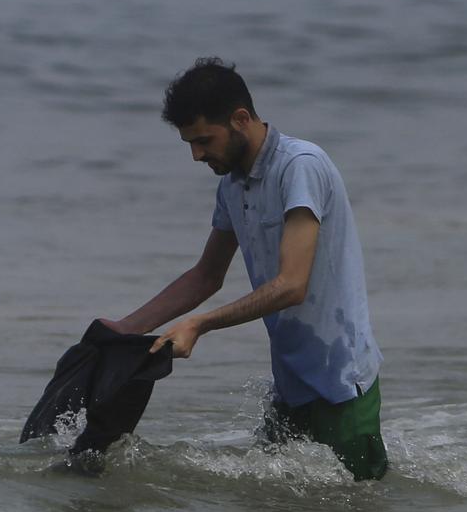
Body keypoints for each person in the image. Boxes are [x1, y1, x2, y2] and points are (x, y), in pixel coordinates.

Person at [100, 57, 387, 481]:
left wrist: (200, 325)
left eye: (204, 140)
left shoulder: (300, 166)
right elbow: (206, 276)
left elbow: (292, 285)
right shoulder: (232, 185)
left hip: (340, 382)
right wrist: (126, 328)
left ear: (240, 119)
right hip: (290, 385)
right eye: (189, 144)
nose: (197, 155)